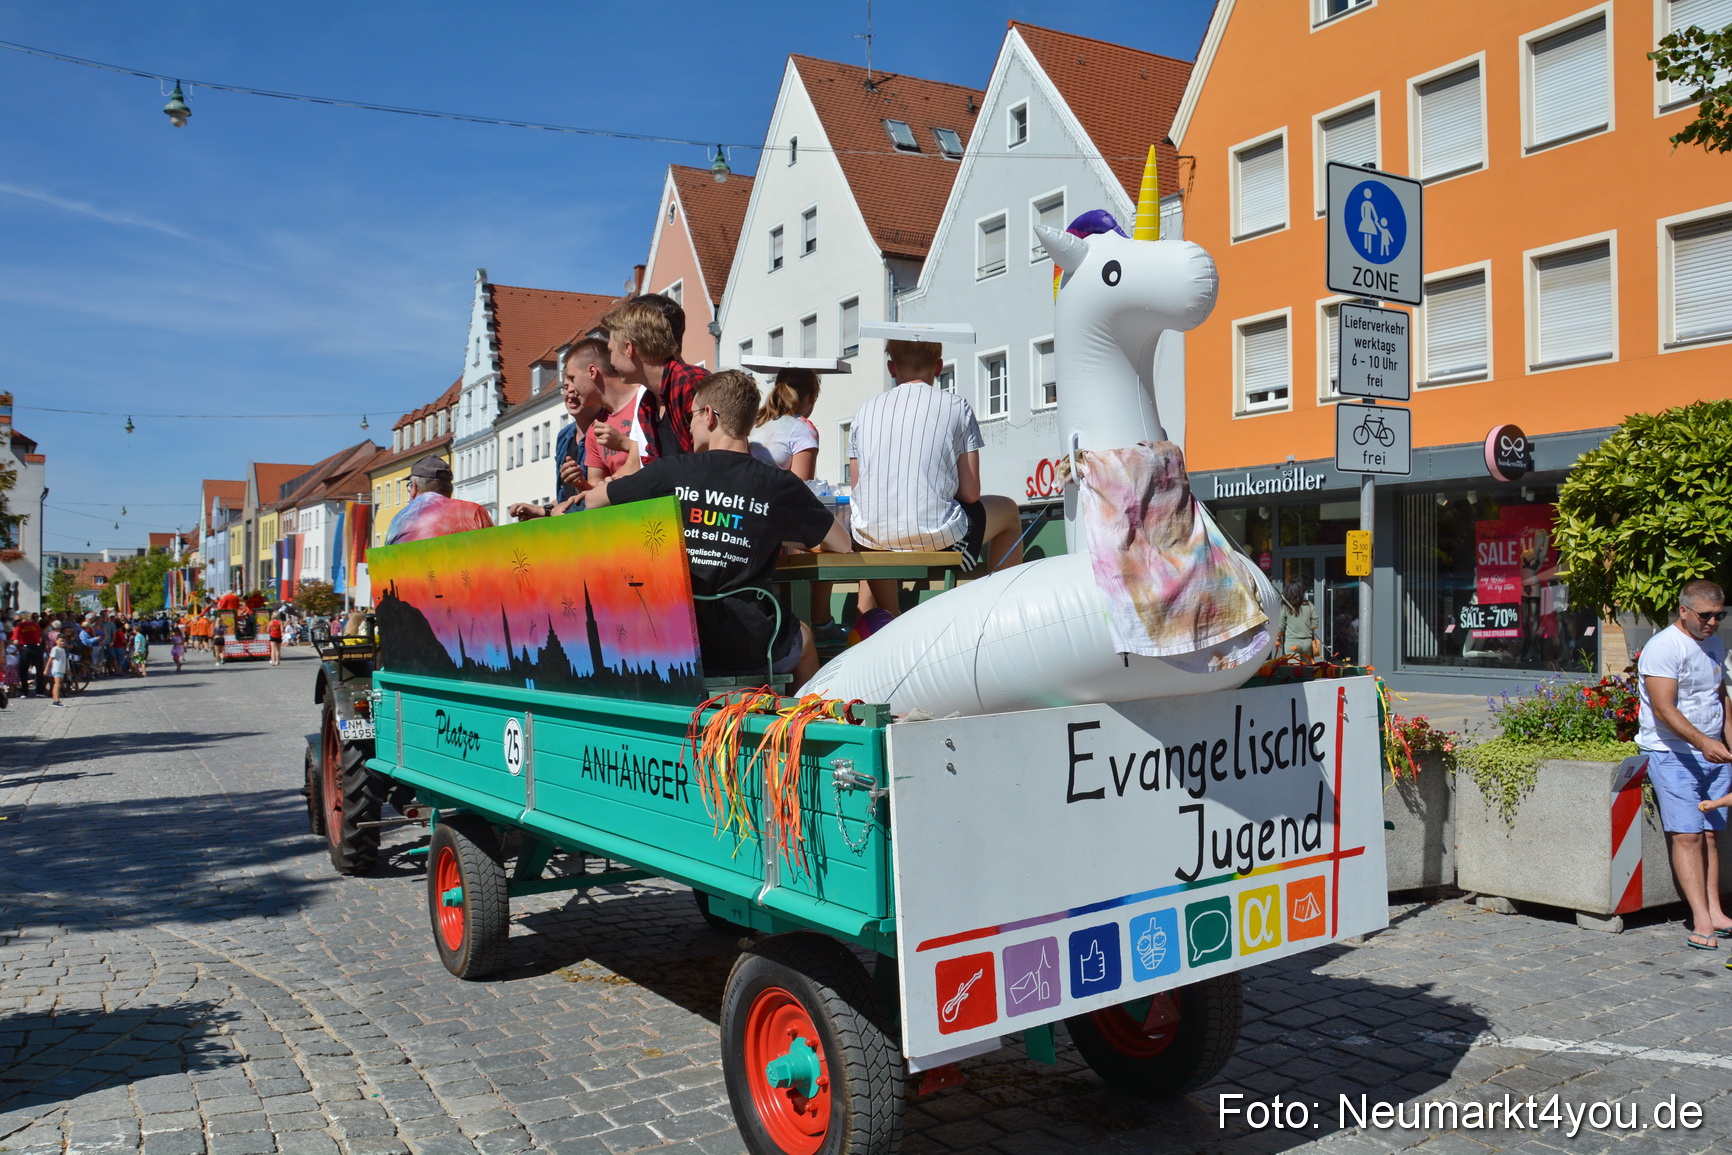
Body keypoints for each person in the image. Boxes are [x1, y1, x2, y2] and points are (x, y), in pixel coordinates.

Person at [587, 370, 851, 683]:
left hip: (678, 642)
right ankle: (801, 723)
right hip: (750, 644)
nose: (689, 423)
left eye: (692, 414)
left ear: (710, 415)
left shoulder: (670, 472)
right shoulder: (778, 484)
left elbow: (594, 501)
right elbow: (842, 543)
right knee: (804, 638)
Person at [847, 339, 1024, 616]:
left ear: (891, 368)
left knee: (874, 533)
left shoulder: (863, 411)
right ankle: (999, 612)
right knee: (1010, 512)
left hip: (874, 539)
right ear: (939, 367)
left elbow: (859, 489)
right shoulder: (957, 407)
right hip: (938, 538)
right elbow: (971, 493)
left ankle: (887, 619)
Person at [1636, 579, 1732, 951]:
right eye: (1705, 615)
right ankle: (1701, 917)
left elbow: (1720, 696)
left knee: (1710, 834)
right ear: (1684, 611)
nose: (1712, 622)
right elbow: (1663, 708)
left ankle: (1716, 911)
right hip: (1672, 751)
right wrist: (1705, 743)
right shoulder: (1664, 647)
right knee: (1687, 834)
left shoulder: (1715, 643)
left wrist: (1725, 741)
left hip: (1712, 753)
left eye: (1719, 615)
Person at [750, 369, 845, 645]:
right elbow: (801, 491)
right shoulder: (803, 428)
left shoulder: (755, 421)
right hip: (775, 523)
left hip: (748, 517)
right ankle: (821, 623)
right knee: (832, 545)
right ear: (811, 398)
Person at [509, 338, 611, 521]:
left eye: (574, 385)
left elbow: (605, 493)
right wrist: (542, 510)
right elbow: (566, 495)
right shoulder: (564, 436)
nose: (570, 392)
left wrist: (580, 484)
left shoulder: (607, 428)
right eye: (565, 387)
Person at [598, 296, 709, 459]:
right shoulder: (648, 402)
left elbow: (715, 461)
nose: (611, 360)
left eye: (610, 351)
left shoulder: (689, 382)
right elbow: (655, 467)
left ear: (629, 348)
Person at [583, 336, 656, 488]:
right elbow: (596, 487)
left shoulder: (646, 398)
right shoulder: (594, 429)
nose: (569, 390)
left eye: (571, 378)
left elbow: (660, 456)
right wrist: (580, 485)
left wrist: (623, 443)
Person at [386, 457, 494, 544]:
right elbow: (497, 552)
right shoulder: (474, 511)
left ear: (414, 487)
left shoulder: (399, 520)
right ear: (449, 489)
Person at [1277, 578, 1320, 659]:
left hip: (1292, 642)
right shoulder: (1309, 605)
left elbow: (1281, 626)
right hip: (1307, 643)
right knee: (1306, 670)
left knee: (1294, 670)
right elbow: (1315, 624)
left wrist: (1278, 638)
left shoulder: (1285, 606)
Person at [10, 613, 42, 697]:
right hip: (36, 647)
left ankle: (25, 691)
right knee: (39, 670)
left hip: (26, 648)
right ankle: (39, 691)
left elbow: (15, 641)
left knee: (23, 670)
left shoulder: (19, 627)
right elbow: (40, 639)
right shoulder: (36, 625)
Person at [47, 629, 67, 707]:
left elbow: (65, 660)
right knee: (57, 685)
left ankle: (57, 700)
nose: (62, 643)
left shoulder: (63, 649)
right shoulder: (55, 649)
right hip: (57, 668)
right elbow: (50, 659)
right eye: (61, 641)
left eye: (64, 641)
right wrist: (46, 669)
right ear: (56, 641)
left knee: (58, 684)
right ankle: (56, 701)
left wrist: (67, 669)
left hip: (62, 669)